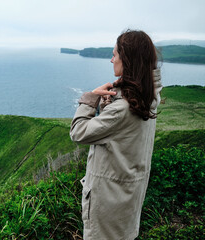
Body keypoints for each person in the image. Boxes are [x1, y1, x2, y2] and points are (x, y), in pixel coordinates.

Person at [70, 29, 162, 239]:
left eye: (115, 55)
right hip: (126, 197)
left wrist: (90, 99)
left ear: (127, 60)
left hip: (108, 203)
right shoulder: (149, 96)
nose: (111, 60)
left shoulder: (124, 108)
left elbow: (78, 132)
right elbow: (121, 134)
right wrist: (107, 106)